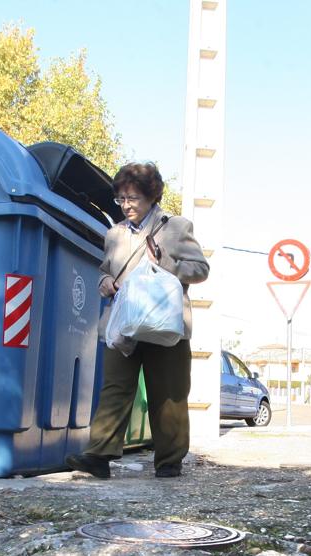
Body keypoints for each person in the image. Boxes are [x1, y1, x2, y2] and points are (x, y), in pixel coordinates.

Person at [65, 162, 209, 479]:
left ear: (151, 196)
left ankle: (169, 461)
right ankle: (98, 456)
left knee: (169, 393)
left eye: (133, 198)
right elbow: (106, 270)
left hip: (165, 323)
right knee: (115, 388)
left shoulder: (176, 227)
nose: (127, 205)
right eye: (122, 199)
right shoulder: (114, 234)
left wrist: (166, 264)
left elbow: (200, 270)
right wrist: (104, 282)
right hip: (124, 324)